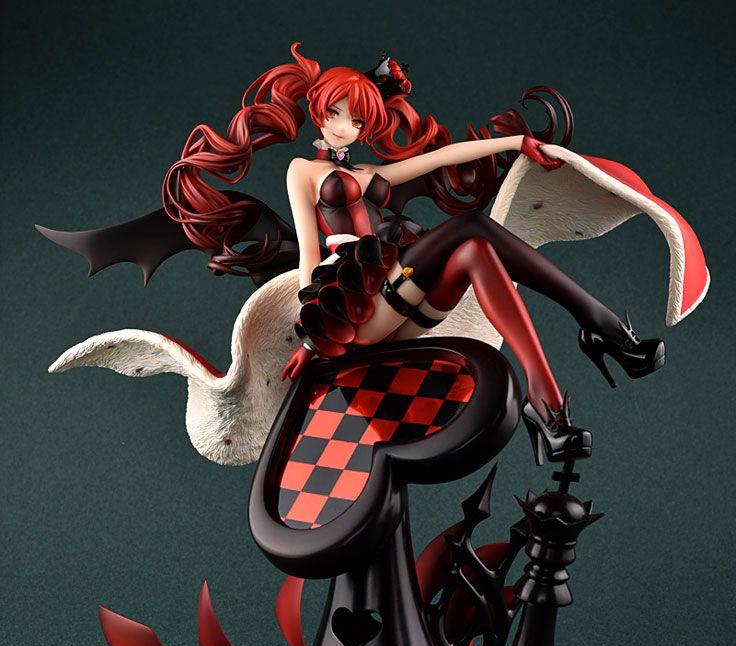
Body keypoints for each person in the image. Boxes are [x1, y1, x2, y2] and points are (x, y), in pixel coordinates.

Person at [162, 44, 667, 464]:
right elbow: (308, 259)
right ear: (318, 110)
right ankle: (599, 324)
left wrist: (516, 142)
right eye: (335, 113)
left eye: (355, 119)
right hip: (359, 308)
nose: (342, 126)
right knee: (472, 228)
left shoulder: (367, 173)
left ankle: (550, 412)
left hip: (400, 300)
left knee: (476, 251)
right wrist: (314, 339)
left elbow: (439, 158)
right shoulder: (303, 171)